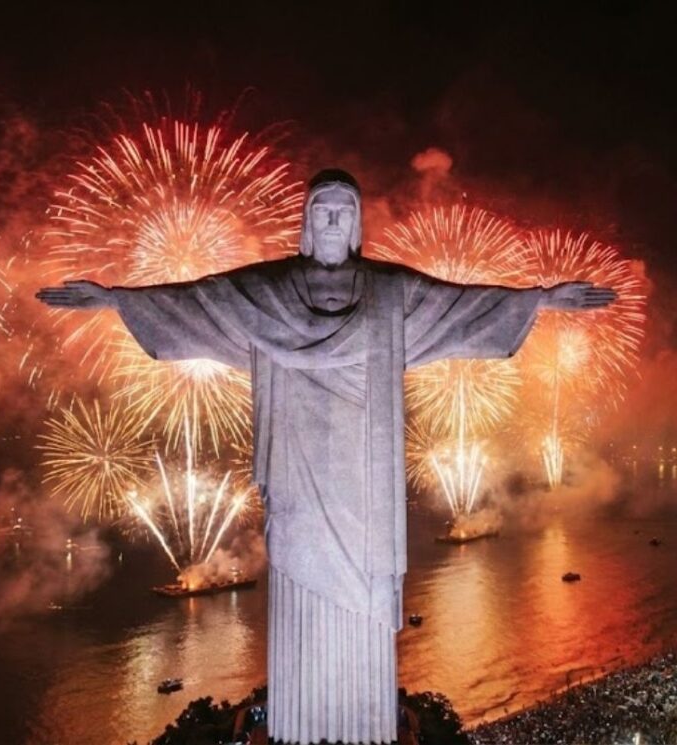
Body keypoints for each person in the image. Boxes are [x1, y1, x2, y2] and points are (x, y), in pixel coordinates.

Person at [37, 169, 616, 744]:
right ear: (307, 223)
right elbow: (200, 303)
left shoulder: (391, 294)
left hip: (366, 480)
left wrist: (540, 300)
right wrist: (116, 300)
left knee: (362, 594)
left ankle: (361, 726)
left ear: (358, 222)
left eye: (344, 209)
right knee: (297, 579)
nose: (334, 219)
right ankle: (301, 725)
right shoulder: (268, 292)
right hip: (297, 471)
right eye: (323, 209)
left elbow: (460, 307)